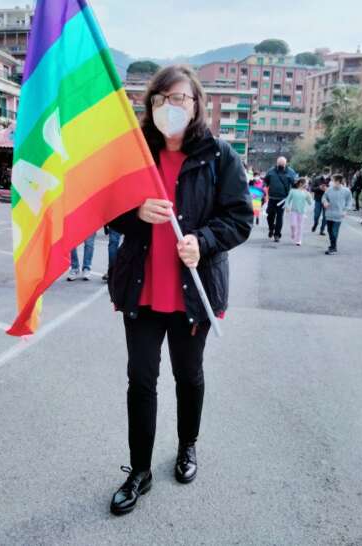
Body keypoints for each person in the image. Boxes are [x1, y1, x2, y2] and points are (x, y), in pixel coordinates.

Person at [107, 65, 252, 516]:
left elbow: (240, 218)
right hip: (142, 292)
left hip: (193, 293)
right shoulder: (137, 154)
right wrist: (137, 214)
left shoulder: (219, 156)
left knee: (188, 376)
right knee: (140, 381)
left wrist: (202, 241)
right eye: (160, 99)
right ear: (151, 105)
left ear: (196, 105)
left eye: (179, 99)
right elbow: (110, 210)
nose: (169, 107)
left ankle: (188, 445)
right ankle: (139, 470)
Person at [263, 156, 296, 242]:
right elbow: (265, 181)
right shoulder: (271, 171)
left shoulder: (291, 172)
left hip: (283, 199)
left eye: (283, 164)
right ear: (277, 163)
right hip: (272, 198)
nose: (281, 166)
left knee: (279, 217)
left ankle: (277, 234)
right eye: (280, 164)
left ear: (285, 164)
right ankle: (271, 228)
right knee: (270, 216)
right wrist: (264, 187)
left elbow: (295, 184)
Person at [322, 174, 353, 255]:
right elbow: (324, 197)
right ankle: (333, 246)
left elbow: (349, 201)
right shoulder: (329, 190)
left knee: (334, 231)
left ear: (338, 181)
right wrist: (325, 202)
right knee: (329, 231)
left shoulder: (346, 191)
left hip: (339, 214)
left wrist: (345, 210)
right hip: (329, 214)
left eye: (332, 180)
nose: (331, 182)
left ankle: (333, 247)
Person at [285, 178, 313, 246]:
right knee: (293, 224)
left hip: (302, 211)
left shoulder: (306, 193)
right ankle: (293, 233)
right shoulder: (293, 191)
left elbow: (310, 203)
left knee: (300, 226)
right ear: (301, 184)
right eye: (305, 183)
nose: (307, 185)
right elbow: (287, 200)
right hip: (293, 210)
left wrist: (309, 196)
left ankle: (298, 240)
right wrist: (287, 207)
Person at [311, 168, 330, 235]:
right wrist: (319, 188)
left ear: (329, 172)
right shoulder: (317, 179)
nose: (326, 173)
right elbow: (312, 189)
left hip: (327, 200)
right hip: (318, 199)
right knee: (316, 215)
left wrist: (327, 189)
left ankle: (322, 230)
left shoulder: (331, 180)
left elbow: (334, 190)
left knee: (325, 216)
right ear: (323, 172)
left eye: (327, 172)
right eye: (325, 171)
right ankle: (315, 223)